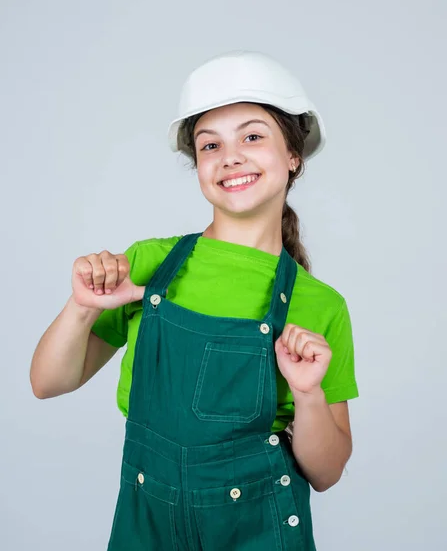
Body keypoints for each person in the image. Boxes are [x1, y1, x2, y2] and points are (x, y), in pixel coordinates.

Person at [30, 50, 359, 550]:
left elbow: (328, 471)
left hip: (257, 534)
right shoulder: (149, 267)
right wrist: (82, 306)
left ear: (293, 155)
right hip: (149, 530)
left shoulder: (320, 305)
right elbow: (47, 383)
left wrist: (309, 393)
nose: (231, 157)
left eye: (252, 136)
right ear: (199, 166)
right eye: (210, 146)